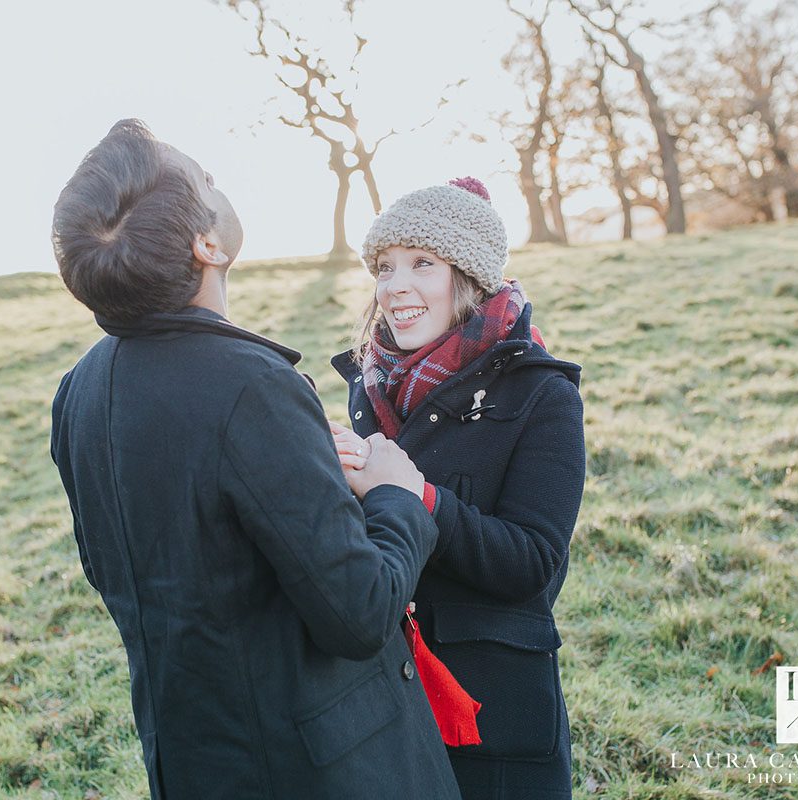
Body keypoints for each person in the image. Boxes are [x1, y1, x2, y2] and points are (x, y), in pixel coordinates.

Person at [48, 119, 461, 800]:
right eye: (206, 179)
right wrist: (392, 492)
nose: (219, 182)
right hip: (320, 769)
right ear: (206, 244)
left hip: (189, 759)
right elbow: (360, 614)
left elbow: (123, 570)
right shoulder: (251, 387)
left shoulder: (79, 391)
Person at [329, 177, 587, 799]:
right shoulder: (366, 386)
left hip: (491, 714)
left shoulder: (542, 395)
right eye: (384, 267)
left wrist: (415, 498)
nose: (395, 286)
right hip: (379, 704)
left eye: (423, 263)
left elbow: (532, 562)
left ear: (468, 277)